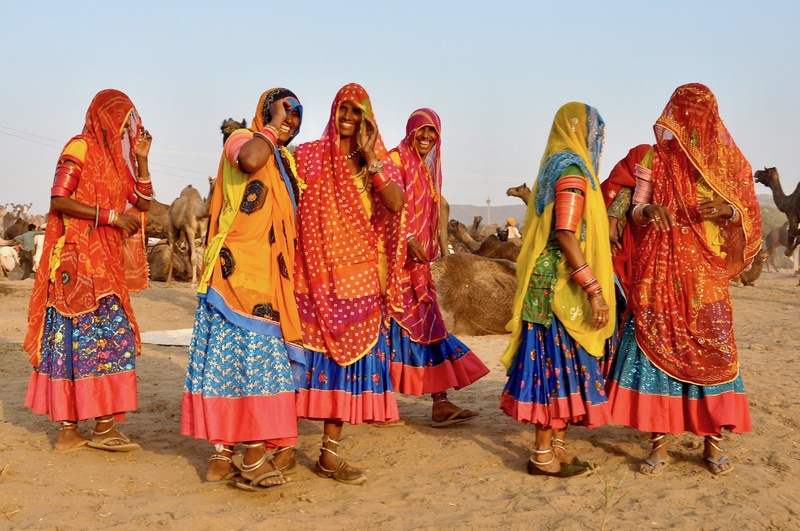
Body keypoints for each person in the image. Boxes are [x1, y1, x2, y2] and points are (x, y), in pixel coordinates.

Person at [605, 83, 761, 476]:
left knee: (714, 350)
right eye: (684, 111)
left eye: (700, 112)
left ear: (712, 117)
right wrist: (647, 212)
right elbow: (635, 207)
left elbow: (747, 210)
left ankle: (712, 442)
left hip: (706, 276)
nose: (691, 120)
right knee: (654, 350)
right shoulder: (655, 159)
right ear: (672, 113)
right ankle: (658, 443)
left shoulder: (727, 163)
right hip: (658, 271)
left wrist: (727, 210)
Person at [181, 88, 306, 490]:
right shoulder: (244, 140)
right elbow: (250, 160)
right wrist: (270, 127)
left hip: (267, 277)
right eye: (284, 111)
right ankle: (247, 456)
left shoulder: (285, 163)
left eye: (296, 116)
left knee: (238, 365)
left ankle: (226, 457)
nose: (290, 120)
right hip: (237, 274)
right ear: (264, 112)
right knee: (253, 366)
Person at [23, 89, 153, 452]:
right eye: (124, 121)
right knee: (74, 337)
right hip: (77, 259)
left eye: (132, 122)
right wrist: (110, 217)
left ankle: (101, 425)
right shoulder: (79, 147)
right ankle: (73, 429)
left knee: (109, 338)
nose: (129, 129)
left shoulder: (117, 162)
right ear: (106, 118)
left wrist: (142, 161)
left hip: (106, 261)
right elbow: (59, 199)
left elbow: (141, 202)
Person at [293, 83, 405, 485]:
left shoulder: (377, 162)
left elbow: (394, 203)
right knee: (302, 362)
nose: (347, 117)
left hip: (358, 279)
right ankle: (283, 447)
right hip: (311, 276)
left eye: (356, 112)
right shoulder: (305, 156)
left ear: (366, 119)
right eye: (343, 109)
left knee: (345, 366)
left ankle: (329, 453)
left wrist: (372, 156)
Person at [500, 102, 615, 477]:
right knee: (556, 367)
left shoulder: (553, 166)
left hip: (551, 281)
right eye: (596, 132)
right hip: (559, 287)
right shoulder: (571, 170)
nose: (598, 140)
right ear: (580, 131)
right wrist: (595, 290)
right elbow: (565, 232)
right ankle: (542, 454)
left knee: (562, 365)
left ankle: (558, 447)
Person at [386, 108, 489, 426]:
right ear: (411, 131)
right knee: (387, 330)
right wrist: (406, 240)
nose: (427, 137)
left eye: (433, 132)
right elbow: (385, 207)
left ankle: (440, 402)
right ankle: (383, 402)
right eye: (422, 130)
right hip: (393, 264)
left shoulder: (426, 170)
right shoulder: (396, 161)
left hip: (418, 266)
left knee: (429, 326)